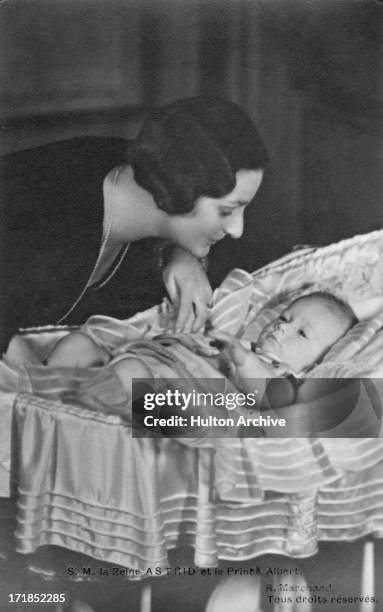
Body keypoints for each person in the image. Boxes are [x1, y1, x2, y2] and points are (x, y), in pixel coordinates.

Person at [0, 97, 268, 353]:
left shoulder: (137, 168)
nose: (237, 229)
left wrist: (180, 253)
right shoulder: (47, 216)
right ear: (179, 185)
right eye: (227, 210)